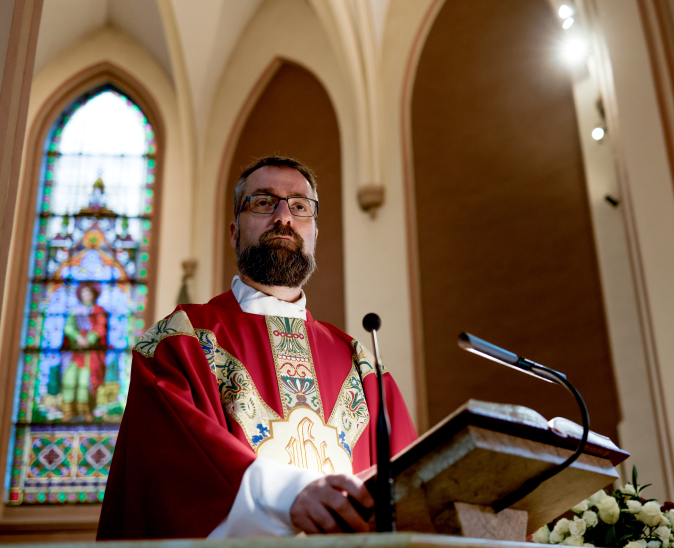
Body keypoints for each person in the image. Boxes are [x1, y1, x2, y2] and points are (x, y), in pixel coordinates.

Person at [97, 156, 417, 539]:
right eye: (263, 202)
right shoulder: (180, 342)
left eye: (300, 206)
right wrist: (288, 497)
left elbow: (414, 487)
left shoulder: (362, 366)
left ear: (314, 232)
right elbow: (173, 472)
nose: (284, 217)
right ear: (234, 232)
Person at [59, 281, 108, 422]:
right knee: (69, 377)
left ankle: (85, 410)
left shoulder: (98, 311)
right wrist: (78, 337)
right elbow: (68, 327)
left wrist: (89, 339)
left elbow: (101, 327)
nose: (86, 296)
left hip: (91, 354)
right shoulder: (75, 311)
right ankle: (68, 411)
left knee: (84, 380)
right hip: (75, 352)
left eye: (89, 293)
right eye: (83, 293)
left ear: (94, 295)